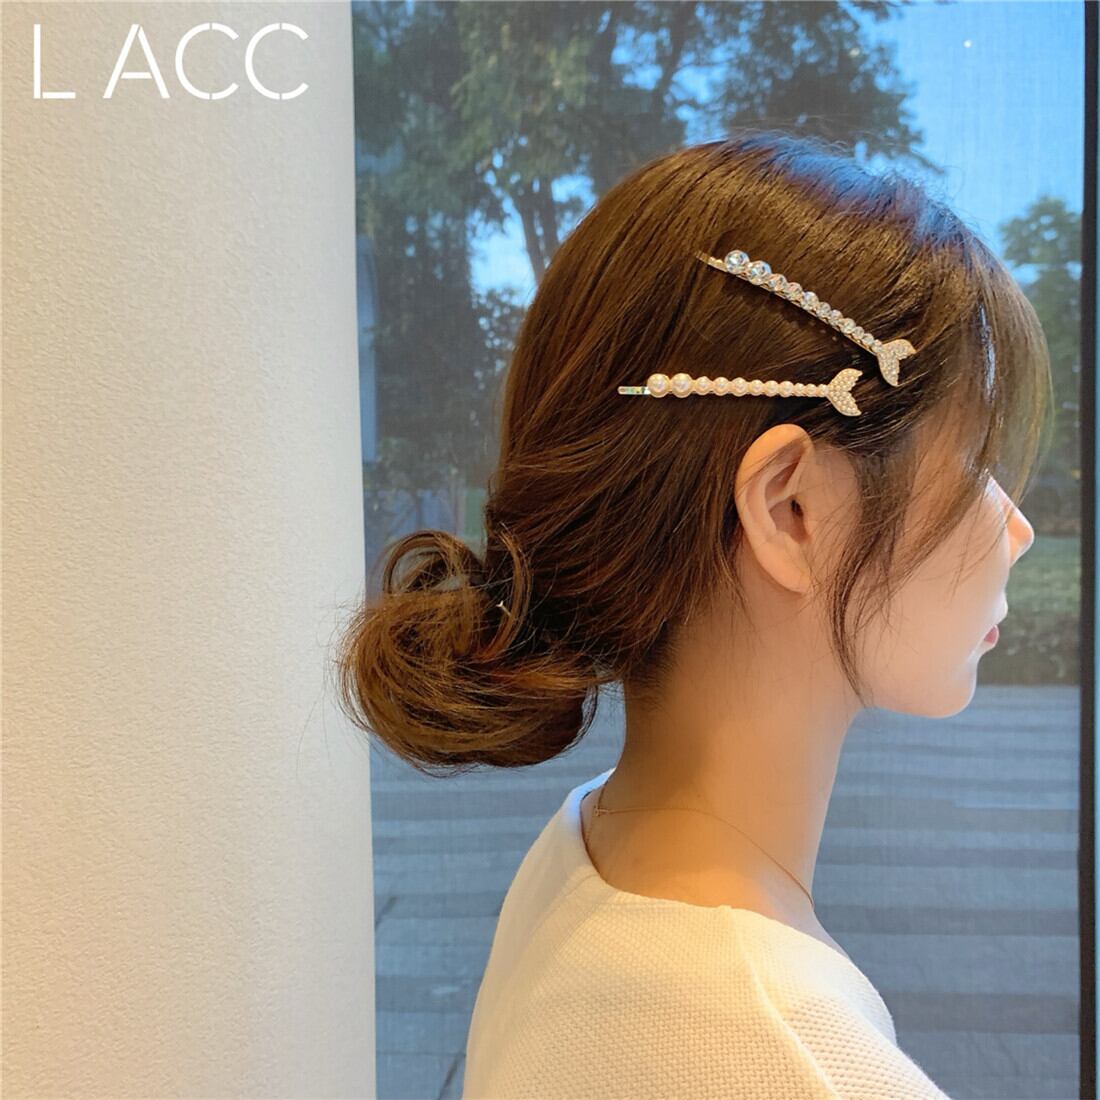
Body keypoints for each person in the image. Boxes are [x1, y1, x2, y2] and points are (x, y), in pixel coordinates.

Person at [333, 129, 1048, 1098]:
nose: (1016, 526)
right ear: (790, 510)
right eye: (972, 464)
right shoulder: (797, 1065)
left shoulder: (580, 852)